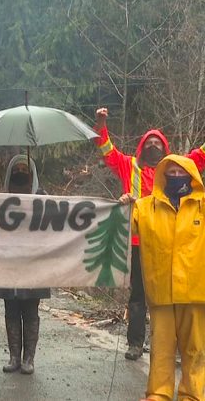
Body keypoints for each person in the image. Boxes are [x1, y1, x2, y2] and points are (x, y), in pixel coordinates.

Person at [94, 107, 205, 360]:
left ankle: (175, 348)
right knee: (138, 295)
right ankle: (135, 344)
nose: (153, 145)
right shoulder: (128, 165)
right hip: (136, 242)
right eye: (149, 142)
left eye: (158, 142)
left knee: (174, 294)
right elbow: (107, 151)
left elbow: (200, 157)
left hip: (168, 242)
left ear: (165, 149)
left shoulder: (175, 169)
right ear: (142, 147)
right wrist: (100, 124)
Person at [120, 155, 205, 401]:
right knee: (161, 349)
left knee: (195, 350)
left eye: (181, 172)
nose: (176, 176)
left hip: (196, 292)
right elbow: (125, 226)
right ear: (162, 175)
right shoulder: (146, 207)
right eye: (172, 172)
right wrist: (126, 206)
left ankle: (193, 395)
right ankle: (159, 393)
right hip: (161, 292)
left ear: (191, 176)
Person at [0, 155, 49, 375]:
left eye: (25, 169)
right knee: (11, 309)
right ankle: (14, 356)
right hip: (7, 262)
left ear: (33, 174)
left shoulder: (42, 198)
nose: (21, 172)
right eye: (17, 169)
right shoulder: (1, 201)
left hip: (34, 263)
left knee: (31, 311)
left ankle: (29, 359)